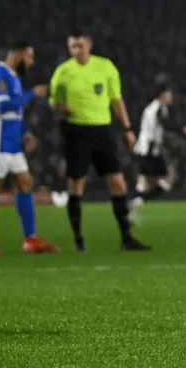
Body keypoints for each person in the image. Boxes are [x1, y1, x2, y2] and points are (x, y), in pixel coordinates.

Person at [49, 29, 151, 251]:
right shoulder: (63, 72)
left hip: (102, 132)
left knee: (117, 182)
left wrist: (127, 129)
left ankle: (126, 238)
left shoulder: (105, 67)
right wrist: (59, 108)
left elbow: (117, 100)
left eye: (80, 46)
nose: (76, 50)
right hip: (76, 132)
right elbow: (54, 103)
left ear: (89, 45)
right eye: (72, 47)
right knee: (76, 184)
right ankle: (78, 240)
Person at [0, 42, 59, 256]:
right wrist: (33, 93)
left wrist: (26, 132)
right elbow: (3, 106)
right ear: (19, 55)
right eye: (29, 57)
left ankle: (30, 239)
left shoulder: (13, 76)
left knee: (24, 184)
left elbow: (14, 112)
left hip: (12, 143)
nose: (31, 62)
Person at [129, 79, 186, 212]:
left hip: (142, 149)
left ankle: (132, 207)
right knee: (169, 179)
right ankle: (138, 201)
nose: (171, 97)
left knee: (145, 181)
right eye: (169, 94)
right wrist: (184, 130)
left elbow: (158, 128)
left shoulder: (151, 107)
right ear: (163, 95)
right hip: (149, 149)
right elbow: (166, 124)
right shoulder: (160, 108)